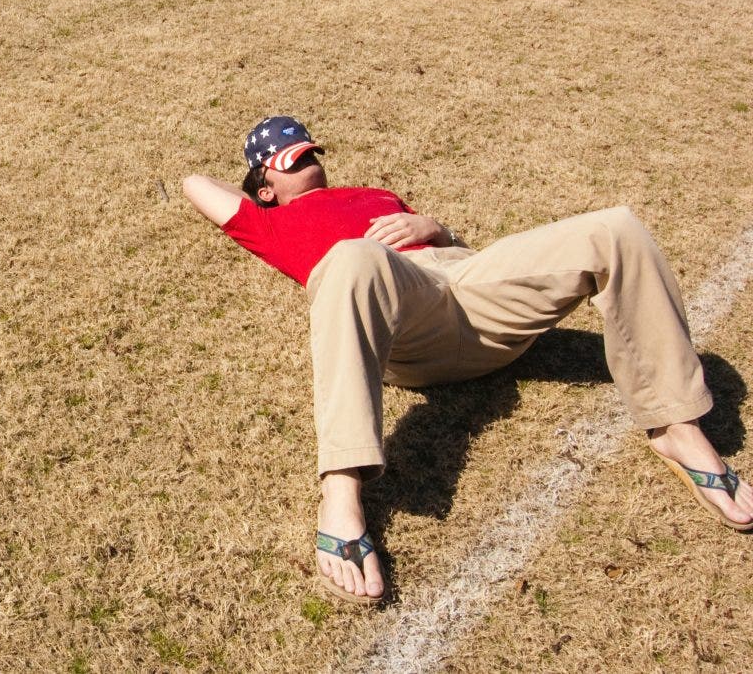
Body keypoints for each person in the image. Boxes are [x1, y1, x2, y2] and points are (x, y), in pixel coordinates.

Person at [182, 115, 753, 604]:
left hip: (470, 287)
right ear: (263, 184)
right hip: (408, 317)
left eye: (308, 149)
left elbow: (464, 254)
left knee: (616, 228)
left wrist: (436, 227)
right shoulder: (268, 221)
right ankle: (342, 490)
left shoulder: (376, 194)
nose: (307, 159)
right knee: (352, 257)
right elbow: (194, 182)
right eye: (290, 158)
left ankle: (677, 423)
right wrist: (258, 183)